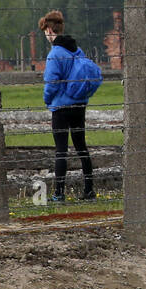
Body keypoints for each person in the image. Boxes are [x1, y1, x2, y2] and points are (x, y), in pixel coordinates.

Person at [40, 10, 96, 203]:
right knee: (82, 147)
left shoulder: (55, 53)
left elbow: (51, 83)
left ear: (48, 29)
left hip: (61, 108)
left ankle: (59, 193)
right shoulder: (76, 49)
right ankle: (89, 190)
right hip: (79, 104)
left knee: (61, 150)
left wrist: (47, 100)